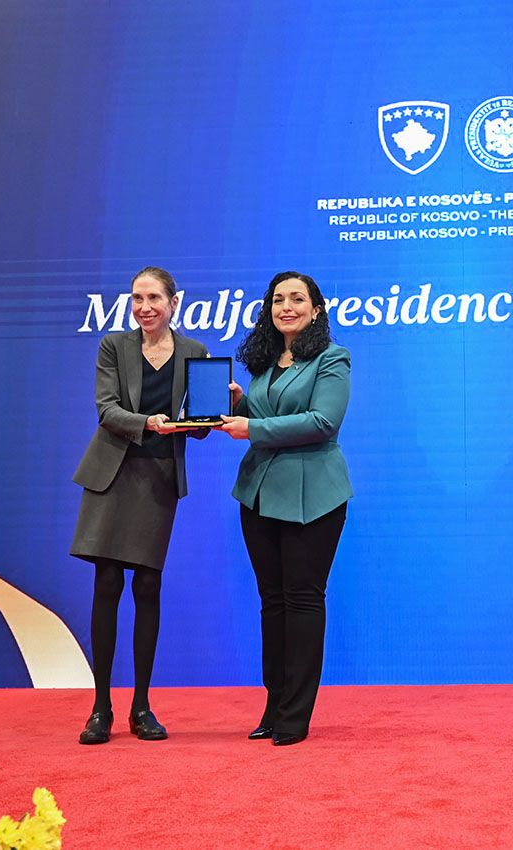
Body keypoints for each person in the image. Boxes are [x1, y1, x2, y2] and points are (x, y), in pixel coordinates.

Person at [70, 266, 209, 744]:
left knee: (147, 586)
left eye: (153, 298)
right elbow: (106, 411)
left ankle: (142, 707)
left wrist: (221, 406)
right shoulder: (114, 346)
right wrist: (149, 422)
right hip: (112, 475)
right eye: (136, 298)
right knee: (107, 582)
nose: (144, 307)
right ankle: (101, 708)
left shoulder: (194, 352)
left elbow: (201, 424)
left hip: (157, 479)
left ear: (174, 302)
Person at [216, 271, 352, 746]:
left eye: (298, 299)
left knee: (302, 600)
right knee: (272, 603)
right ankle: (273, 707)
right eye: (278, 300)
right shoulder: (264, 363)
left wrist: (251, 429)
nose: (286, 307)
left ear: (316, 309)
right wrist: (241, 407)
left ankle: (297, 713)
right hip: (257, 495)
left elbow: (322, 422)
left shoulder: (333, 359)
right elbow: (269, 419)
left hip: (313, 497)